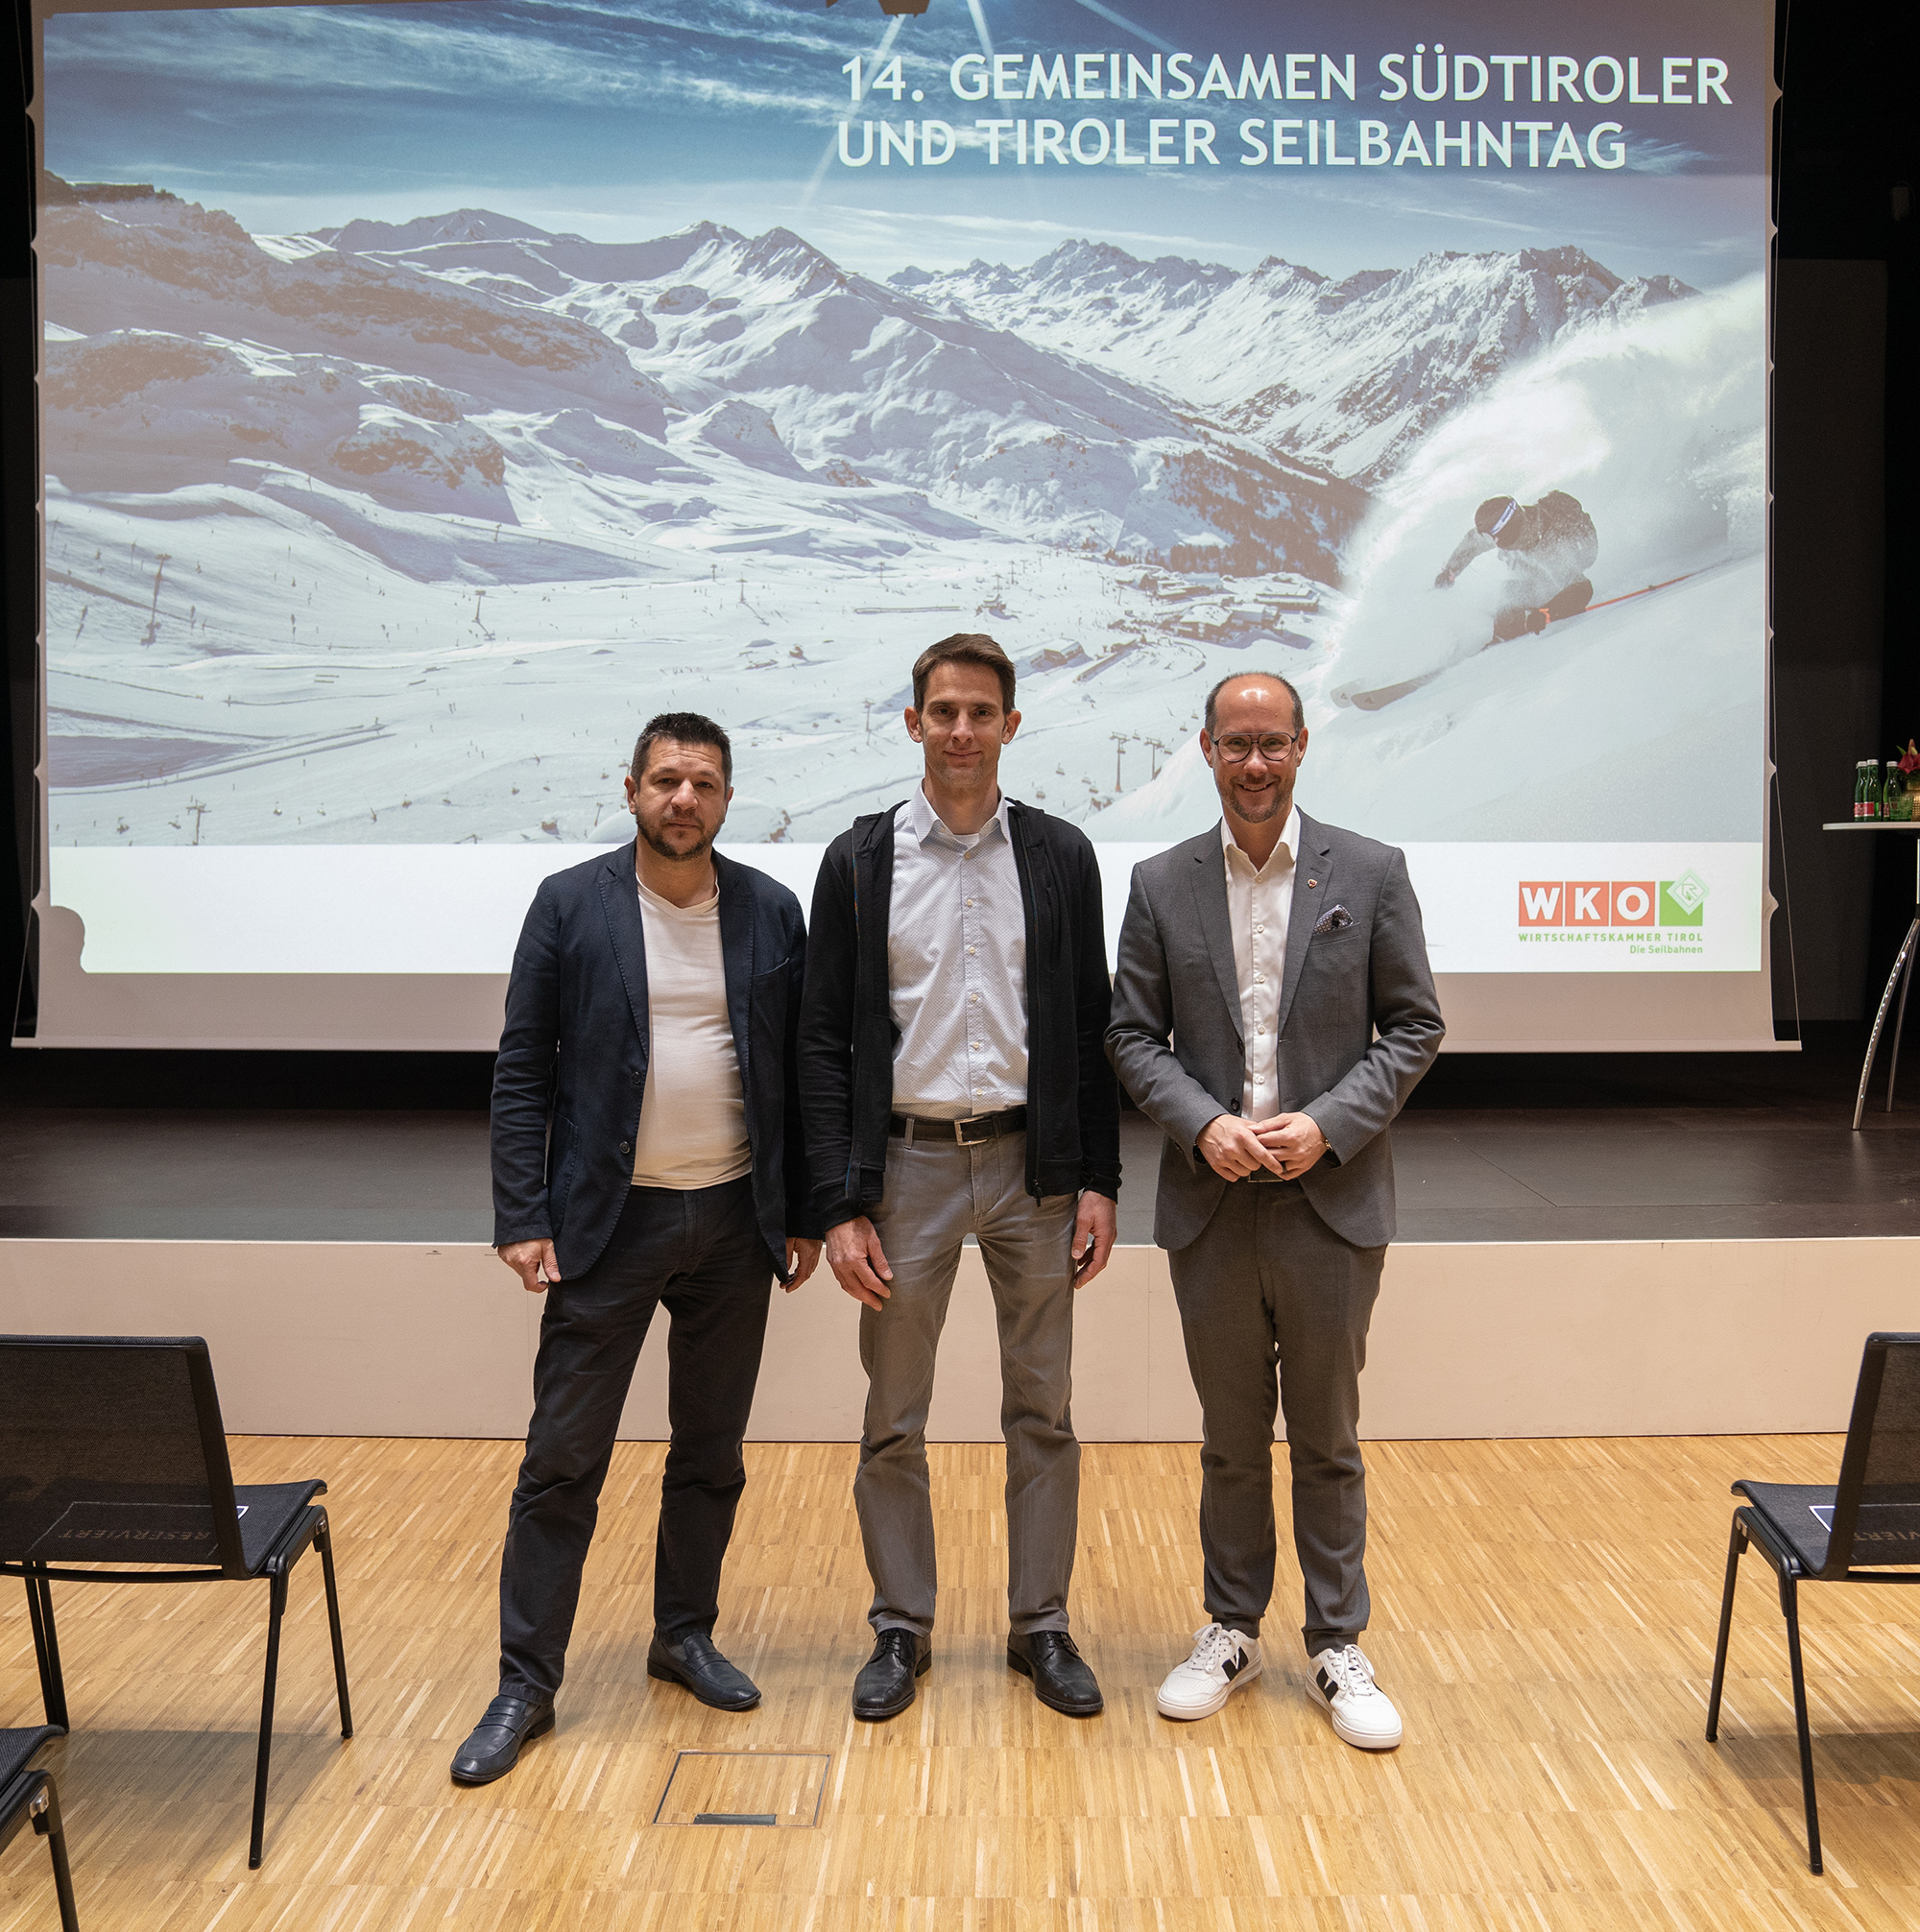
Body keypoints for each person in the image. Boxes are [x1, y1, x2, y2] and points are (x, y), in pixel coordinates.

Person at [451, 711, 822, 1785]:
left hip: (733, 1220)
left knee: (710, 1453)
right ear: (630, 791)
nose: (683, 799)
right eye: (665, 780)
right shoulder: (571, 904)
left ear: (726, 799)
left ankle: (682, 1635)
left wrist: (800, 1208)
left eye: (703, 783)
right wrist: (522, 1215)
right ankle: (527, 1680)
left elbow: (797, 1077)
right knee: (562, 1460)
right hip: (606, 1227)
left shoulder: (767, 910)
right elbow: (523, 1067)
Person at [1106, 672, 1443, 1749]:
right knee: (1229, 1436)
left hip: (1328, 1203)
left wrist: (1330, 1122)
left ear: (1302, 747)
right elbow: (1127, 1038)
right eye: (1234, 744)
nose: (1254, 764)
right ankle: (1230, 1629)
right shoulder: (1161, 884)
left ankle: (1337, 1643)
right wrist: (1203, 1123)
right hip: (1211, 1203)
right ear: (1203, 749)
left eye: (1273, 744)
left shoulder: (1372, 873)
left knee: (1328, 1438)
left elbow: (1411, 1027)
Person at [799, 632, 1121, 1723]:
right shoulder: (857, 862)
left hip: (1034, 1171)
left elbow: (1087, 1027)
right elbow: (821, 1041)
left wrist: (1096, 1180)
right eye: (942, 711)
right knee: (893, 1414)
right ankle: (901, 1626)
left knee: (1043, 1409)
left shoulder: (1060, 855)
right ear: (912, 724)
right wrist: (837, 1203)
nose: (961, 731)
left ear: (1011, 727)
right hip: (905, 1171)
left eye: (981, 712)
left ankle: (1040, 1626)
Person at [1434, 491, 1598, 640]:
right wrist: (1451, 570)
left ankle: (1508, 633)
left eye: (1492, 538)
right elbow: (1473, 543)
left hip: (1559, 582)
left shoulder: (1552, 549)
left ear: (1508, 531)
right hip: (1534, 566)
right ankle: (1503, 628)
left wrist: (1546, 612)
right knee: (1509, 588)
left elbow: (1582, 588)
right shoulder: (1509, 532)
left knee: (1512, 592)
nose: (1491, 543)